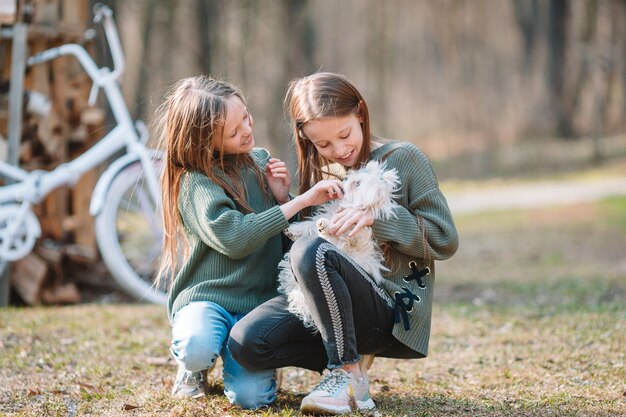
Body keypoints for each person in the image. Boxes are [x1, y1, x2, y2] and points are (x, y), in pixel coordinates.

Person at [228, 72, 459, 415]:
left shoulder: (405, 159)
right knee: (246, 342)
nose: (338, 150)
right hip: (334, 310)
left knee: (313, 252)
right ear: (307, 140)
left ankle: (347, 376)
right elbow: (310, 248)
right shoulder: (325, 172)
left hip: (391, 311)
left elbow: (445, 240)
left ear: (361, 114)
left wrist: (378, 218)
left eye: (344, 134)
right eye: (323, 145)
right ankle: (344, 364)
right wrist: (289, 202)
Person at [155, 75, 346, 409]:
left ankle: (238, 359)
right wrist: (298, 202)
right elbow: (236, 237)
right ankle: (192, 369)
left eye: (245, 116)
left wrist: (280, 197)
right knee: (197, 346)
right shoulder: (196, 183)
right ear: (204, 143)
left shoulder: (259, 162)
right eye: (233, 131)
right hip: (209, 300)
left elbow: (283, 236)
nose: (246, 128)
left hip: (256, 307)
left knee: (252, 399)